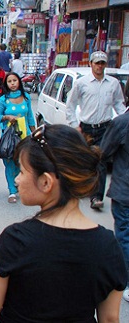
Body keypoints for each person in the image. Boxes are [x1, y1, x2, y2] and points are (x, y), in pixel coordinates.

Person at [0, 124, 127, 323]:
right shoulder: (108, 246)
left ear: (46, 182)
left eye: (21, 171)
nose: (17, 180)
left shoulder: (16, 240)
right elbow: (109, 318)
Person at [65, 50, 126, 210]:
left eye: (102, 63)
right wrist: (74, 125)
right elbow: (70, 105)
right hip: (86, 127)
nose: (99, 66)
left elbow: (119, 104)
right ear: (90, 64)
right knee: (84, 159)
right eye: (97, 63)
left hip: (105, 127)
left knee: (101, 161)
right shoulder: (82, 83)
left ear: (106, 65)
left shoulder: (113, 84)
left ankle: (96, 197)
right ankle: (81, 188)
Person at [0, 72, 36, 203]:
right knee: (10, 162)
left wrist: (34, 133)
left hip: (24, 136)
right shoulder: (3, 100)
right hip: (10, 137)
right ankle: (12, 191)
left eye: (15, 80)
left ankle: (22, 187)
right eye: (9, 81)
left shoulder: (26, 98)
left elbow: (30, 117)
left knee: (23, 162)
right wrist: (7, 117)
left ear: (19, 82)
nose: (12, 83)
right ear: (6, 84)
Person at [100, 111, 129, 302]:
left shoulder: (121, 122)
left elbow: (103, 152)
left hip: (124, 190)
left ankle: (125, 281)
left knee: (125, 235)